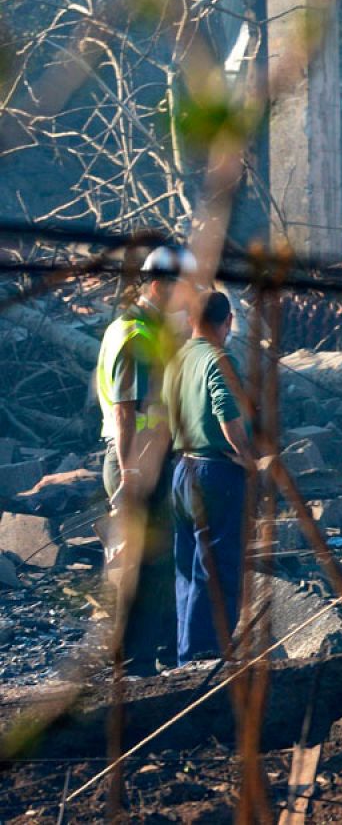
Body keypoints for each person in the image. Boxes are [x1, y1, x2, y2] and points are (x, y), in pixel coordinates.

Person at [94, 245, 194, 674]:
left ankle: (156, 655)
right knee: (142, 565)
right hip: (136, 459)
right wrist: (131, 469)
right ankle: (134, 662)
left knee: (159, 562)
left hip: (150, 457)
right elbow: (124, 408)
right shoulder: (136, 335)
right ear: (158, 285)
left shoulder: (146, 330)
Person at [163, 290, 255, 664]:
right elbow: (226, 408)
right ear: (227, 321)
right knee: (217, 569)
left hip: (181, 469)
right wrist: (246, 455)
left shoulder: (178, 359)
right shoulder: (219, 358)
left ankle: (187, 655)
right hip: (215, 471)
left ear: (190, 321)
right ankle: (206, 656)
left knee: (187, 566)